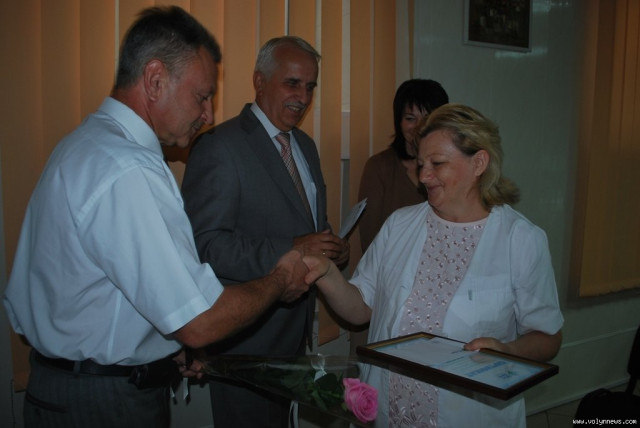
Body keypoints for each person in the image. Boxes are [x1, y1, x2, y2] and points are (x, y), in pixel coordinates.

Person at [2, 7, 310, 427]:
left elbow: (113, 288)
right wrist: (279, 280)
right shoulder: (129, 169)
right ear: (154, 79)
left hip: (66, 389)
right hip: (103, 404)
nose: (208, 115)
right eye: (201, 96)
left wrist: (162, 347)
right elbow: (200, 322)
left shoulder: (84, 145)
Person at [304, 103, 564, 427]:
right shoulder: (400, 225)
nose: (424, 176)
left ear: (479, 163)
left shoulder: (520, 239)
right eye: (421, 164)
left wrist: (507, 351)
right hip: (389, 411)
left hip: (470, 415)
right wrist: (327, 274)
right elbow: (361, 308)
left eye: (437, 164)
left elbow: (548, 336)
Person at [181, 35, 349, 428]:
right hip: (245, 342)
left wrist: (330, 247)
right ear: (259, 81)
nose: (303, 97)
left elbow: (309, 226)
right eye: (292, 83)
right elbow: (205, 245)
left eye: (310, 87)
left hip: (295, 339)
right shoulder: (219, 146)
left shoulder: (305, 146)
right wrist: (292, 247)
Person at [357, 79, 449, 253]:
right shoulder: (379, 167)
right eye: (410, 119)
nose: (419, 127)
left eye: (427, 119)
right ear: (399, 122)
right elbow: (371, 243)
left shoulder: (452, 167)